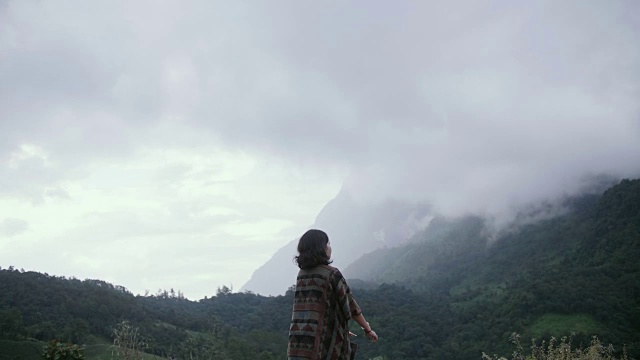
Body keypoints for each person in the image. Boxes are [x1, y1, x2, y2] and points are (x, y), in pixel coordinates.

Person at [287, 229, 378, 360]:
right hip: (321, 344)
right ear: (320, 248)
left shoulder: (302, 274)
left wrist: (338, 327)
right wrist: (367, 329)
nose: (330, 247)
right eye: (328, 243)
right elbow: (351, 305)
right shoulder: (331, 274)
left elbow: (313, 309)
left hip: (299, 342)